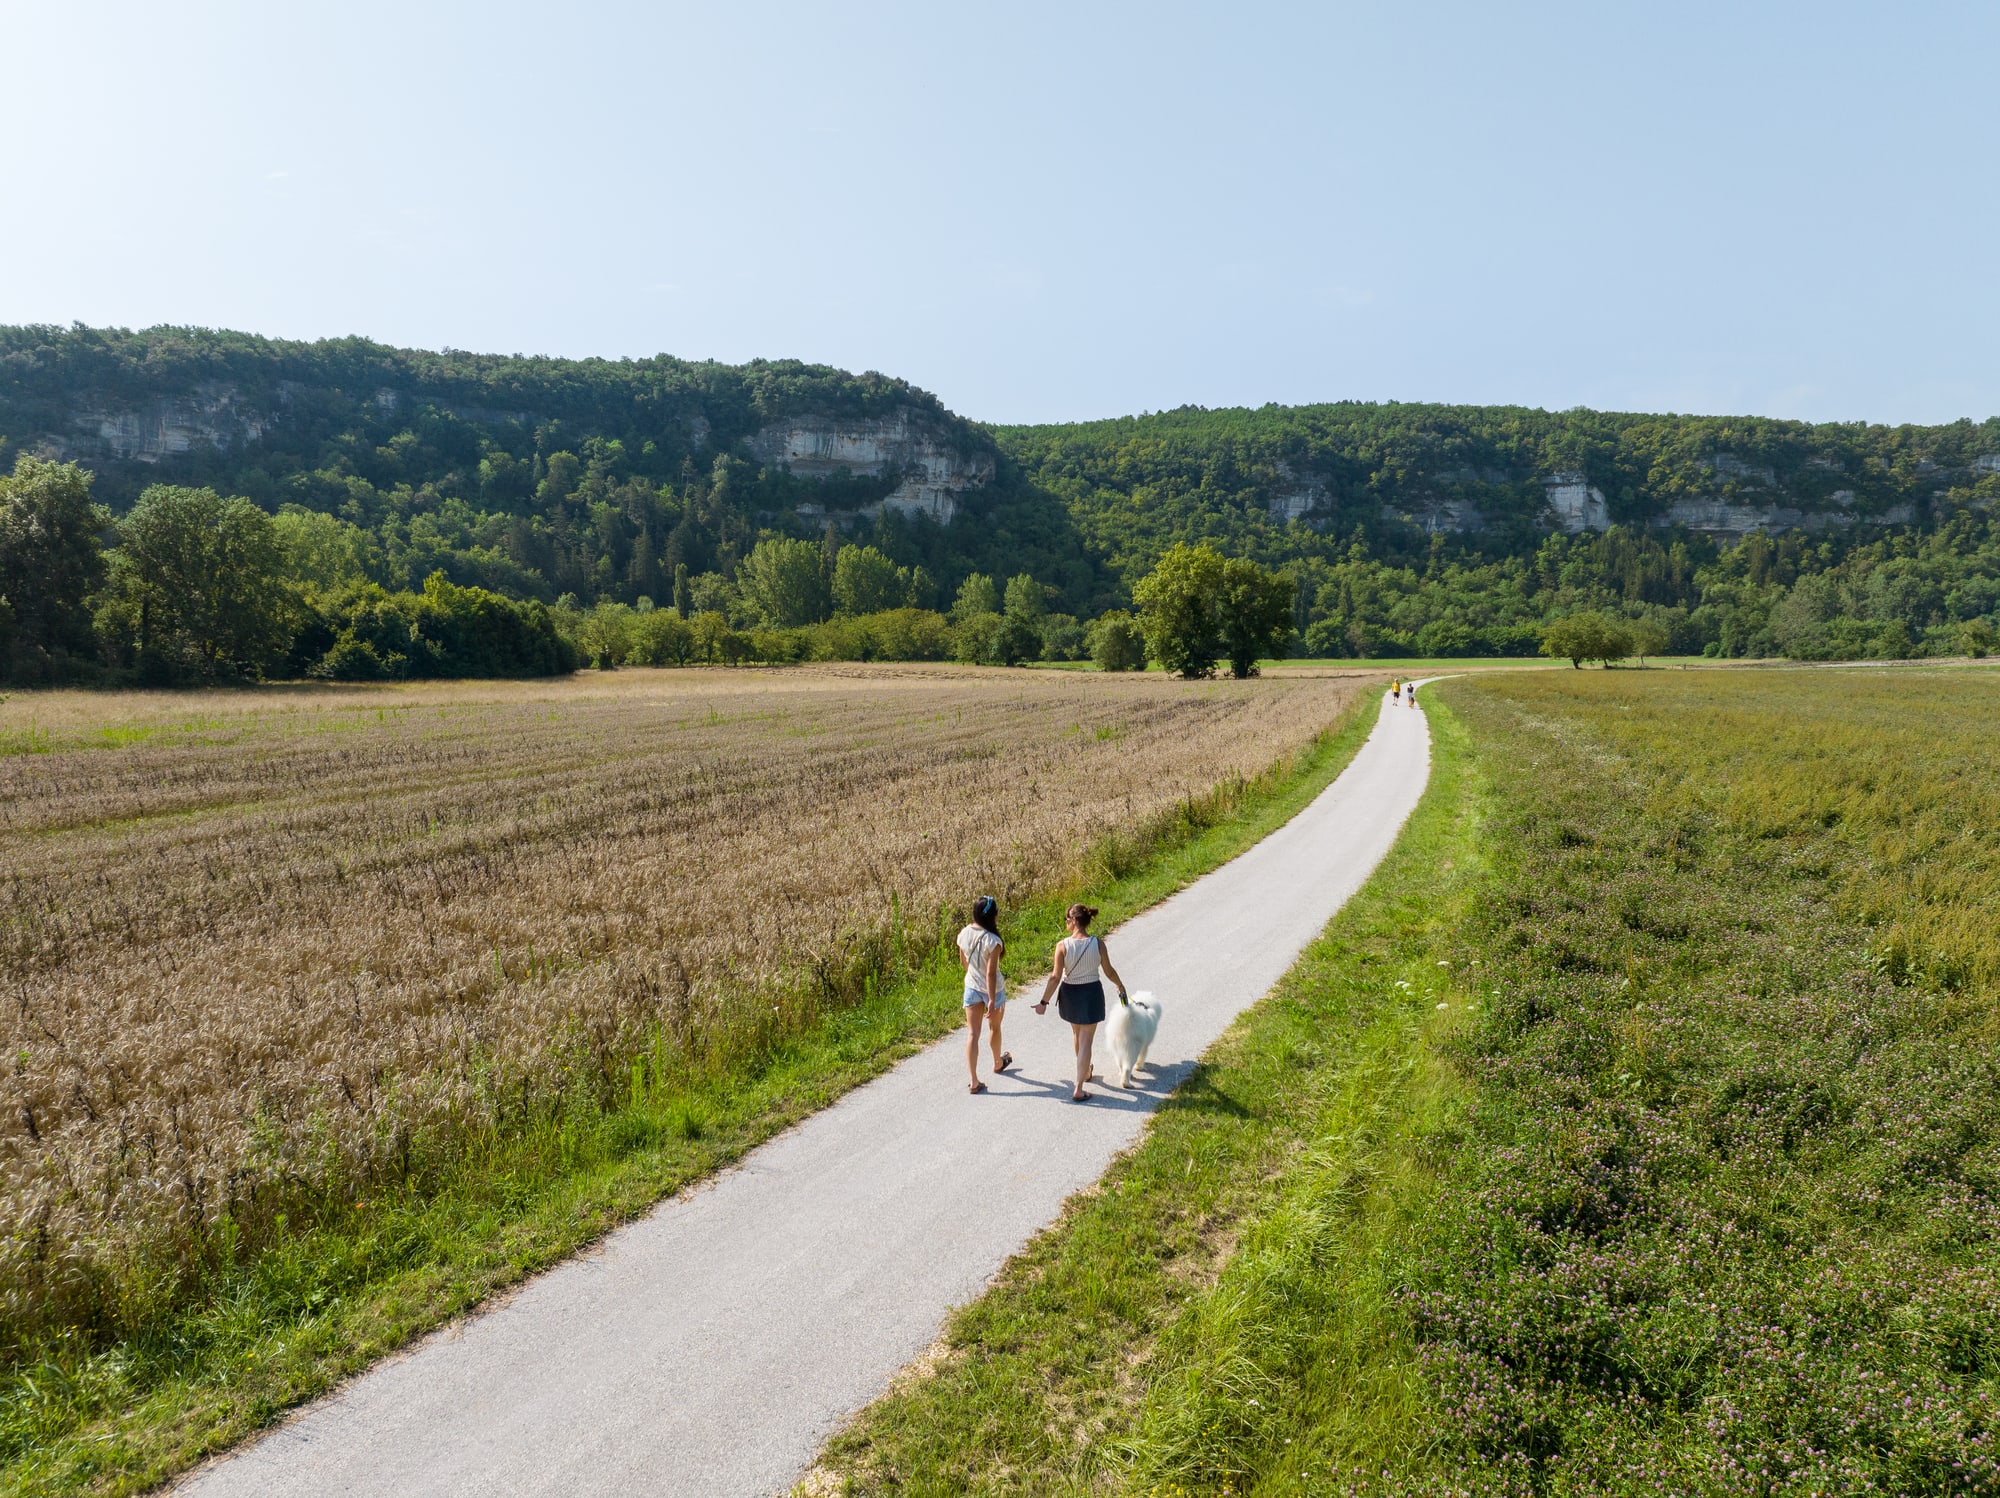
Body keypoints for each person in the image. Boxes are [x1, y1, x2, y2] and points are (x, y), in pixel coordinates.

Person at [1035, 903, 1128, 1102]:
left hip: (1070, 994)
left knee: (1077, 1034)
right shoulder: (1098, 943)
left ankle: (1084, 1073)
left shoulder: (1062, 946)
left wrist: (1044, 1002)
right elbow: (1108, 970)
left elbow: (1054, 977)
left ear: (1075, 920)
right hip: (1091, 992)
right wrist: (1120, 985)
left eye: (1067, 919)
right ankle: (1079, 1086)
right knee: (1086, 1039)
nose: (1066, 923)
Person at [956, 895, 1010, 1093]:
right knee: (994, 1028)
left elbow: (964, 963)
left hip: (971, 987)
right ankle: (997, 1063)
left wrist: (973, 977)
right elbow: (990, 972)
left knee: (972, 1034)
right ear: (993, 916)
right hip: (991, 990)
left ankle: (973, 1081)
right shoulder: (993, 941)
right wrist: (992, 999)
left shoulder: (963, 933)